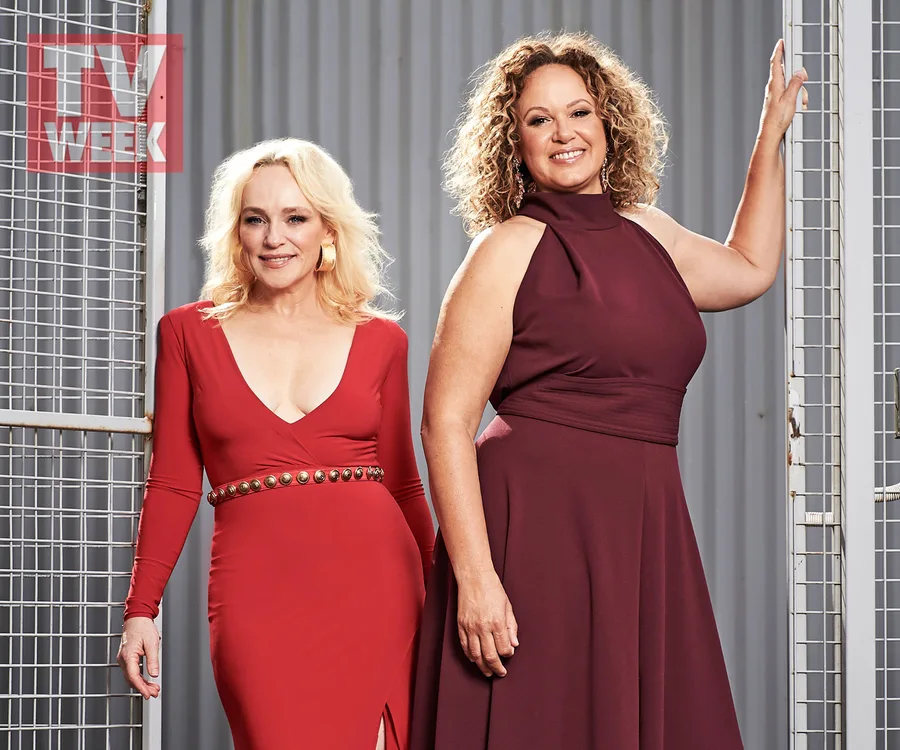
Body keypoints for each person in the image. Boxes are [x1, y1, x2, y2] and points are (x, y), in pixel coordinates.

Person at [410, 32, 806, 749]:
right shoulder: (506, 248)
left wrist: (768, 138)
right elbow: (444, 422)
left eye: (579, 112)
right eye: (538, 120)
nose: (564, 133)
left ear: (608, 123)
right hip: (531, 529)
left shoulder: (647, 230)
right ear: (514, 143)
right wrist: (476, 578)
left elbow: (748, 266)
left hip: (642, 520)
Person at [116, 138, 435, 750]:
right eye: (255, 218)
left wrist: (448, 592)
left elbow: (403, 483)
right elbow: (175, 481)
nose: (273, 238)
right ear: (236, 232)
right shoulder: (186, 333)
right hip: (255, 591)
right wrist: (141, 608)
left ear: (328, 231)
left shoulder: (381, 340)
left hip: (376, 583)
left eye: (296, 218)